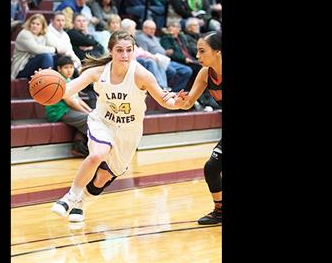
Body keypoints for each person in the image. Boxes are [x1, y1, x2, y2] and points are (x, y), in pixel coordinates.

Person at [35, 30, 186, 222]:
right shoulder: (98, 72)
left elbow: (165, 100)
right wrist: (44, 83)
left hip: (129, 132)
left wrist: (178, 103)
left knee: (103, 178)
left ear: (134, 51)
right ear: (111, 51)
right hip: (102, 122)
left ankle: (81, 203)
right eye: (120, 50)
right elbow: (66, 90)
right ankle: (70, 196)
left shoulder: (142, 74)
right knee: (98, 154)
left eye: (129, 50)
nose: (125, 55)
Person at [163, 31, 222, 224]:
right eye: (197, 51)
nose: (197, 56)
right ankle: (220, 211)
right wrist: (179, 101)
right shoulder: (205, 73)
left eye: (202, 51)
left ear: (218, 53)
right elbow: (188, 103)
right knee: (212, 167)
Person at [45, 56, 91, 156]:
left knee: (92, 116)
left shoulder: (69, 80)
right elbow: (70, 102)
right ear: (59, 69)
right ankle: (80, 147)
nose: (69, 70)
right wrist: (88, 113)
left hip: (67, 109)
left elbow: (77, 99)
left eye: (71, 67)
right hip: (59, 112)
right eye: (66, 67)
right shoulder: (59, 81)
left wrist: (90, 110)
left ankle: (78, 146)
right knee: (89, 118)